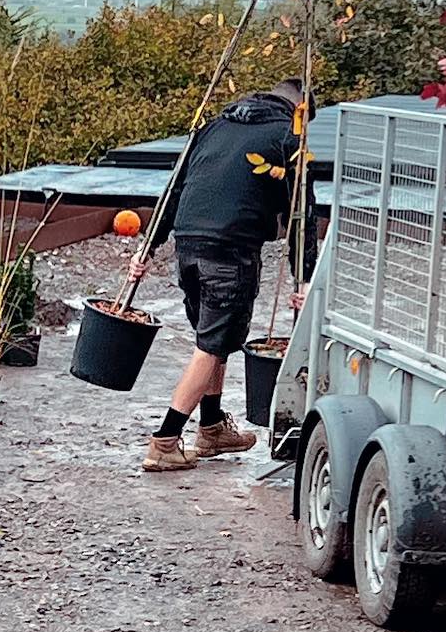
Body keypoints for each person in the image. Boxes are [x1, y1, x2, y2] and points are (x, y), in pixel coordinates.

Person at [128, 77, 318, 471]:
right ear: (301, 112)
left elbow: (174, 189)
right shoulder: (289, 137)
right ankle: (164, 441)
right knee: (212, 346)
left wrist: (147, 248)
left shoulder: (215, 126)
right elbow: (302, 216)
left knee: (214, 334)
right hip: (230, 251)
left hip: (189, 244)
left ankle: (212, 426)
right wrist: (305, 278)